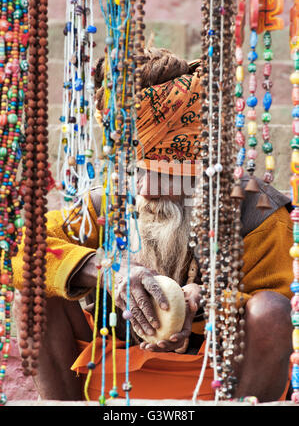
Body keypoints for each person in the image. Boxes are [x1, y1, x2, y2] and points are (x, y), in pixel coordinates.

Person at [12, 48, 294, 403]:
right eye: (135, 172)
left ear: (197, 171)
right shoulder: (109, 201)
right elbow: (20, 251)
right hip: (116, 370)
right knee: (35, 293)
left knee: (270, 310)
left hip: (218, 371)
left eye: (160, 175)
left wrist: (207, 301)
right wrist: (104, 270)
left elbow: (278, 303)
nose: (143, 189)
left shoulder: (257, 207)